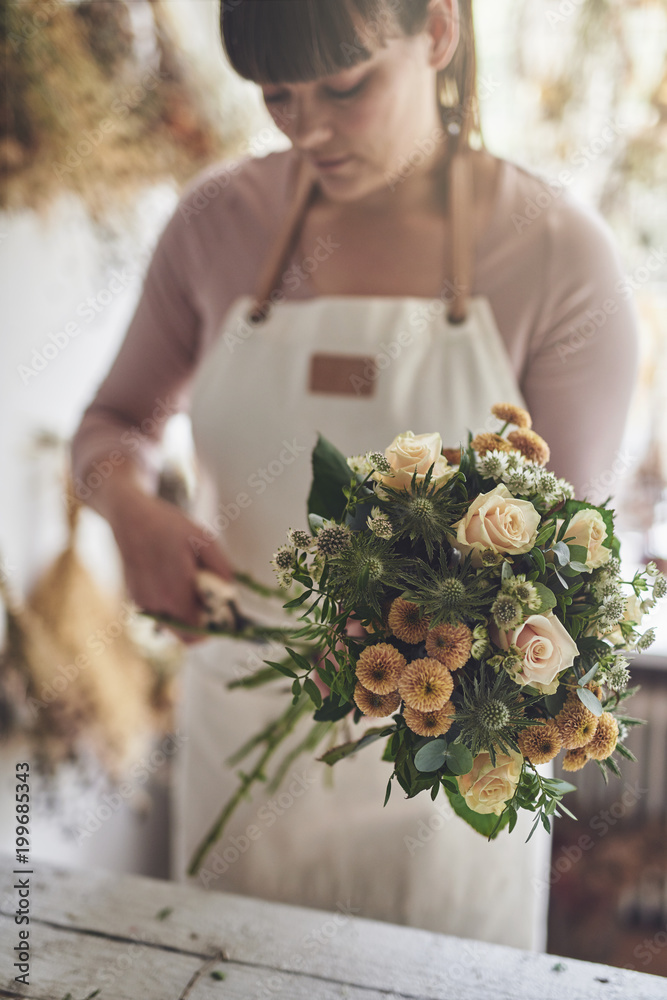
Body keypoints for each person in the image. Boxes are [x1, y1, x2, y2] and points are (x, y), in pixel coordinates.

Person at [71, 0, 639, 949]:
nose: (309, 130)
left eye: (346, 86)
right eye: (278, 96)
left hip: (448, 778)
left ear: (438, 34)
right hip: (241, 757)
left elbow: (569, 582)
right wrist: (130, 511)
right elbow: (112, 426)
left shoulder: (554, 254)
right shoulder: (218, 224)